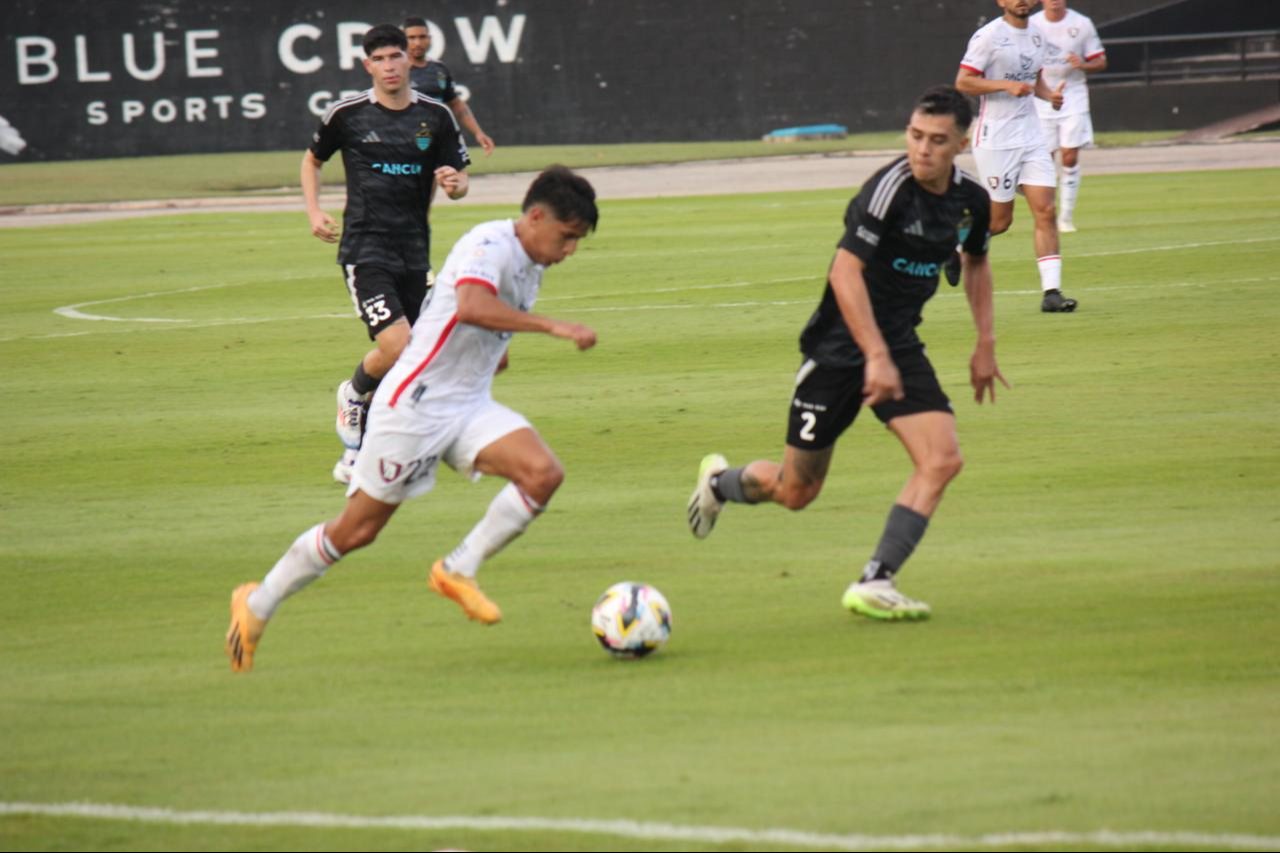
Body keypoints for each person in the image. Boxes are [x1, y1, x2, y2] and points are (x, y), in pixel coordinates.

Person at [226, 166, 600, 673]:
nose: (570, 250)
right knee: (355, 532)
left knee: (543, 474)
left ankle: (457, 570)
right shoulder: (488, 243)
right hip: (415, 407)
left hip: (467, 404)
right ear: (535, 217)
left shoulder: (530, 265)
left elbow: (467, 319)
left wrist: (494, 350)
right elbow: (470, 305)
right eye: (567, 236)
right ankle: (256, 604)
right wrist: (552, 326)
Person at [686, 86, 1007, 621]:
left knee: (942, 459)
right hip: (839, 352)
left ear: (962, 143)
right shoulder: (888, 190)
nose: (922, 149)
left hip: (899, 345)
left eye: (936, 140)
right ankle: (719, 482)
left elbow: (975, 261)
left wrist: (985, 343)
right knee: (796, 491)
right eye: (914, 135)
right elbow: (844, 271)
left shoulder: (970, 200)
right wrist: (873, 355)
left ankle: (876, 580)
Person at [301, 24, 471, 485]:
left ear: (407, 61)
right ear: (367, 65)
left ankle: (358, 445)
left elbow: (458, 175)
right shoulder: (348, 114)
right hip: (365, 248)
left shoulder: (434, 116)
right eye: (381, 59)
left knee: (412, 354)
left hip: (415, 252)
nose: (391, 65)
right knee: (399, 346)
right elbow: (312, 159)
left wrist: (456, 185)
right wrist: (314, 211)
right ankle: (355, 399)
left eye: (397, 56)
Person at [955, 0, 1079, 313]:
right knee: (999, 222)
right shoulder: (988, 36)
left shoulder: (1037, 34)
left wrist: (1050, 95)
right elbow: (964, 81)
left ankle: (1051, 293)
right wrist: (1005, 85)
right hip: (996, 138)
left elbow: (1034, 78)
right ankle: (953, 244)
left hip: (1031, 136)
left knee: (1046, 210)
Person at [1031, 0, 1107, 233]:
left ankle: (1065, 217)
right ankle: (1047, 214)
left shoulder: (1082, 24)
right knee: (1045, 160)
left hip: (1072, 95)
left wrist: (1083, 64)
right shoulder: (1032, 25)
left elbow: (1101, 61)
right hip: (1042, 96)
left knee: (1069, 156)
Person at [403, 16, 496, 156]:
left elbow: (455, 104)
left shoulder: (439, 69)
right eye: (411, 37)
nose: (417, 43)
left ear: (429, 39)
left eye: (422, 37)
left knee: (455, 176)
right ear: (403, 40)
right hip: (407, 143)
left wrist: (478, 133)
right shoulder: (397, 70)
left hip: (441, 139)